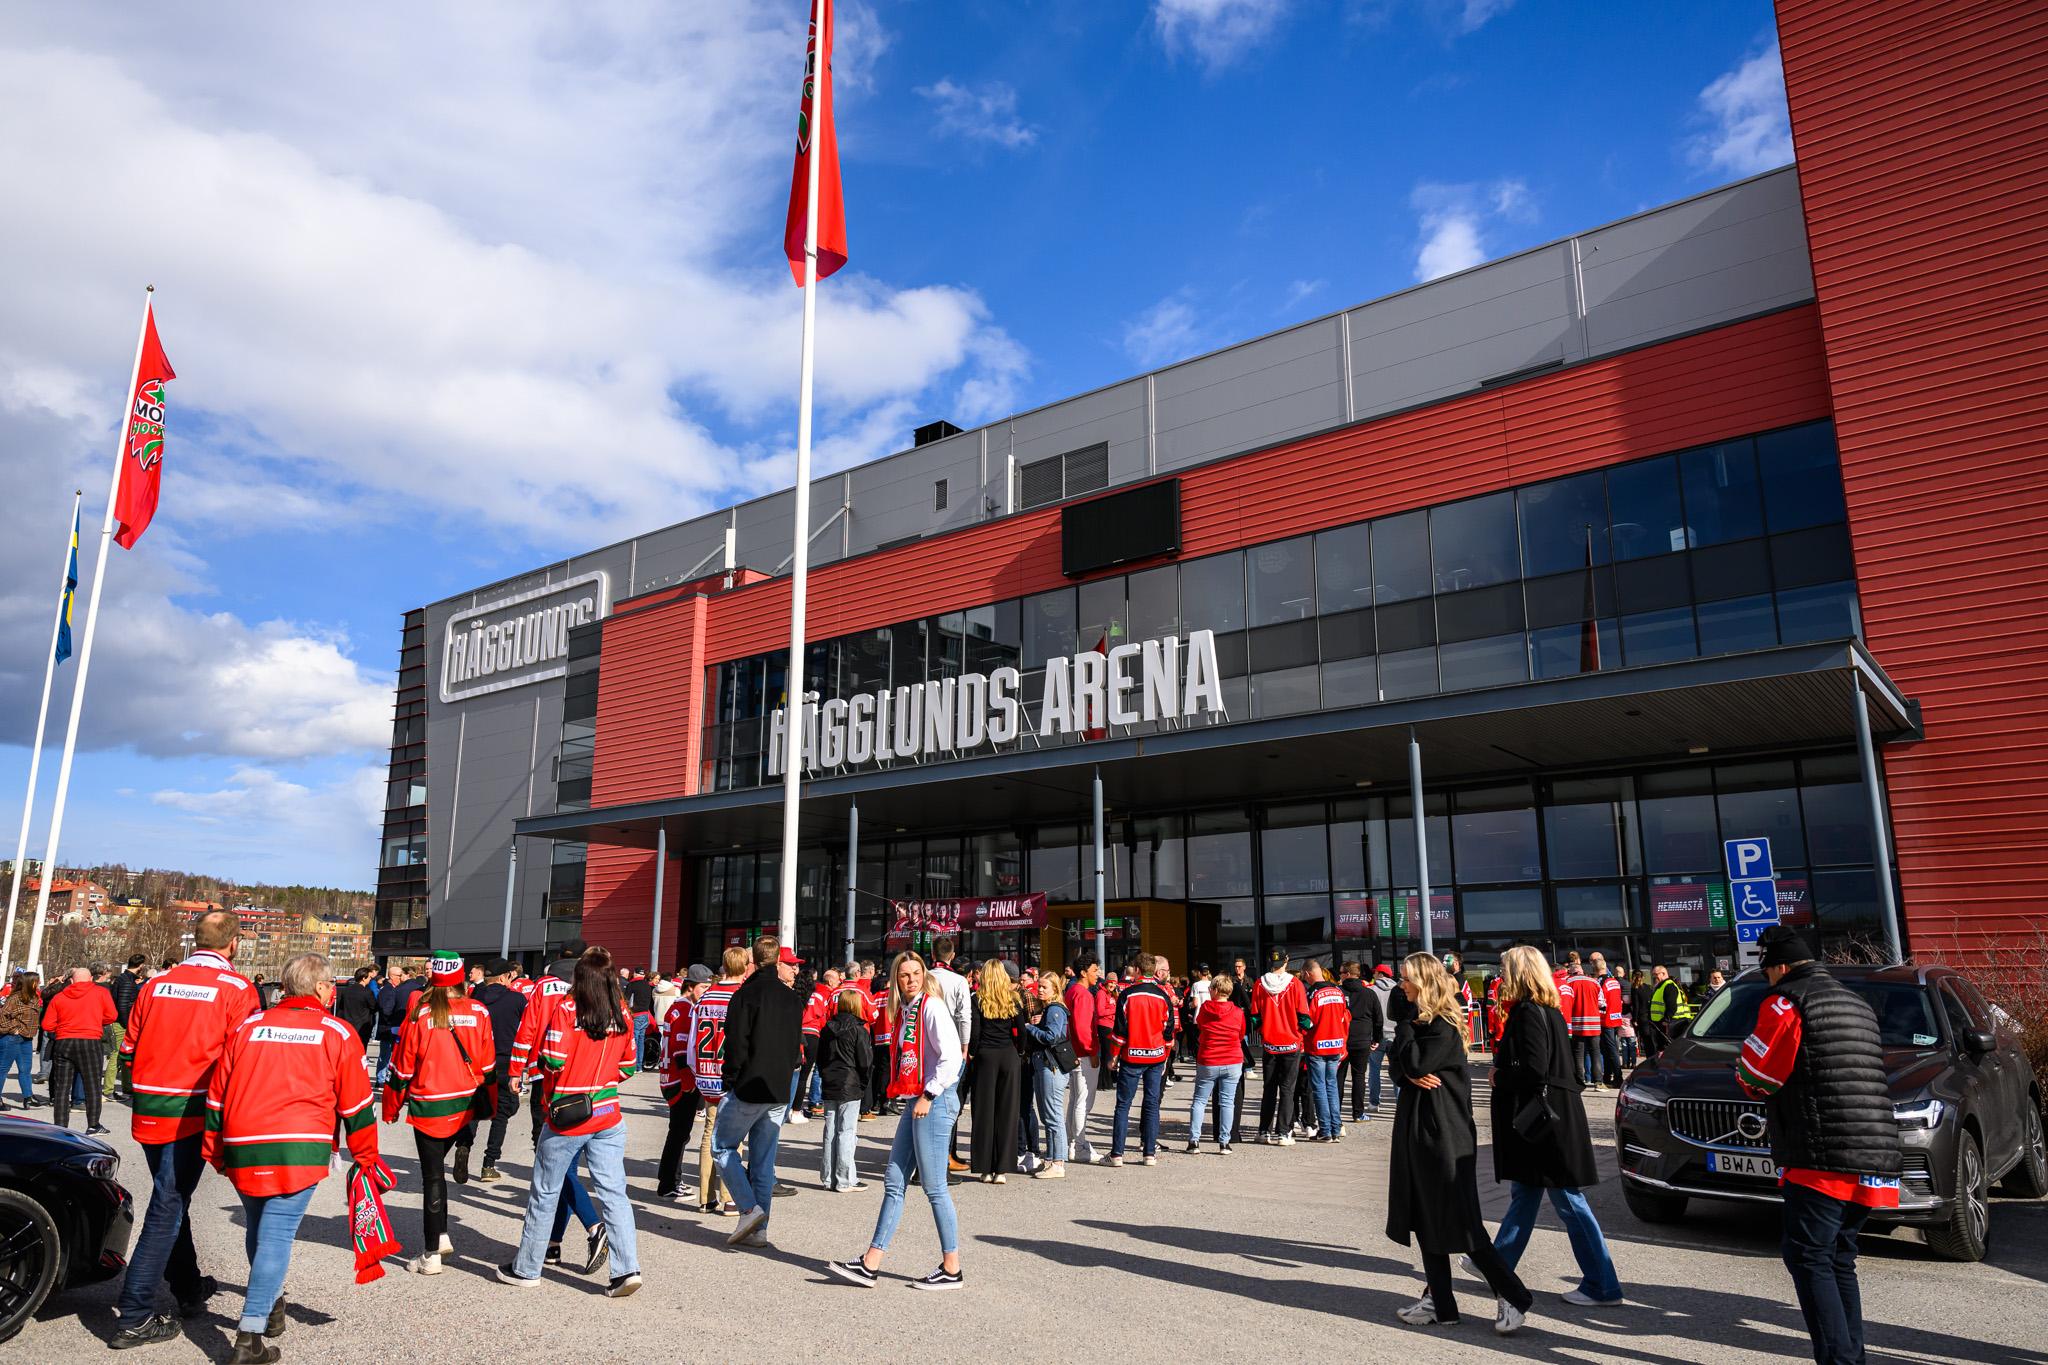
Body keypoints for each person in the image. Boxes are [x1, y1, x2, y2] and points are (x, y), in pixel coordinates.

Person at [202, 953, 386, 1364]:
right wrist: (366, 1155)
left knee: (260, 1228)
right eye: (330, 986)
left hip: (243, 1140)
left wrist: (213, 1146)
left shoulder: (248, 1026)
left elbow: (218, 1090)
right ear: (321, 988)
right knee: (277, 1234)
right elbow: (357, 1104)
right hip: (299, 1146)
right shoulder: (336, 1031)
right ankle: (249, 1334)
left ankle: (270, 1304)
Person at [1736, 926, 1902, 1365]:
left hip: (1820, 1152)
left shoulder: (1787, 1000)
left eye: (1768, 970)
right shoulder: (1856, 1002)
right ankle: (1852, 1356)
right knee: (1839, 1257)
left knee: (1808, 1258)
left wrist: (1744, 1073)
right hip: (1873, 1153)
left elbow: (1759, 1074)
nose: (1767, 979)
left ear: (1781, 966)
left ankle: (1839, 1360)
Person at [109, 912, 259, 1347]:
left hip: (150, 1103)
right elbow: (242, 1060)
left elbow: (129, 1047)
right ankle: (134, 1312)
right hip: (193, 1107)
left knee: (172, 1198)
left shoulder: (155, 985)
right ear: (233, 944)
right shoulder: (236, 989)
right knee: (168, 1206)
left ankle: (188, 1289)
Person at [1385, 952, 1532, 1335]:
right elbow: (1399, 1068)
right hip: (1420, 1131)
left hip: (1444, 1135)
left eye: (1406, 980)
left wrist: (1404, 1039)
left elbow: (1413, 1063)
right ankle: (1442, 1304)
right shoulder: (1422, 1023)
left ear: (1424, 983)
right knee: (1425, 1218)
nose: (1401, 986)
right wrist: (1407, 1062)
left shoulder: (1443, 1025)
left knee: (1461, 1223)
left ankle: (1513, 1294)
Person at [499, 947, 642, 1297]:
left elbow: (553, 1057)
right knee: (614, 1193)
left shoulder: (567, 1008)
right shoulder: (622, 1011)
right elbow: (628, 1066)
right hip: (608, 1111)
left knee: (544, 1192)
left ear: (580, 976)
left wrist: (540, 1075)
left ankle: (528, 1267)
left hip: (569, 1111)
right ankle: (627, 1269)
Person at [1486, 946, 1624, 1307]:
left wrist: (1500, 1075)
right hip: (1552, 1117)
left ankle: (1602, 1284)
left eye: (1505, 968)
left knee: (1569, 1202)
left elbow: (1535, 1070)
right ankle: (1497, 1267)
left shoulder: (1530, 1012)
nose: (1501, 975)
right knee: (1528, 1194)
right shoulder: (1546, 1009)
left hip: (1547, 1121)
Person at [825, 950, 965, 1291]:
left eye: (916, 973)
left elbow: (951, 1060)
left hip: (933, 1100)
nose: (911, 979)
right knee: (894, 1180)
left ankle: (952, 1268)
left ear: (924, 975)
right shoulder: (905, 1011)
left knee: (934, 1188)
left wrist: (928, 1095)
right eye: (904, 975)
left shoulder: (931, 1007)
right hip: (916, 1101)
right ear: (896, 980)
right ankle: (871, 1262)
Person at [381, 951, 493, 1274]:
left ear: (433, 977)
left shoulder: (420, 1013)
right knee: (437, 1174)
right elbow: (487, 1066)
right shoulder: (480, 1011)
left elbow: (401, 1067)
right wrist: (492, 1105)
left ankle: (431, 1254)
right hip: (466, 1103)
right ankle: (441, 1233)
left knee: (432, 1176)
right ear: (461, 977)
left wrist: (390, 1107)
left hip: (430, 1104)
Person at [713, 938, 804, 1249]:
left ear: (752, 960)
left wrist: (731, 1078)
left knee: (722, 1148)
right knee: (763, 1161)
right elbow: (796, 1046)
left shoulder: (745, 995)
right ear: (777, 960)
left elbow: (736, 1043)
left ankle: (749, 1209)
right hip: (778, 1088)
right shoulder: (792, 999)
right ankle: (759, 1229)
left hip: (750, 1084)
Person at [689, 947, 750, 1215]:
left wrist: (698, 1071)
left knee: (708, 1134)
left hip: (706, 1072)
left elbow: (693, 1041)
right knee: (733, 1139)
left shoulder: (705, 998)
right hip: (731, 1075)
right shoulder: (741, 997)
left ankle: (706, 1196)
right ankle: (729, 1196)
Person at [462, 958, 528, 1183]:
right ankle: (488, 1165)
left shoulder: (474, 999)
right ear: (503, 977)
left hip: (477, 1063)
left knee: (473, 1111)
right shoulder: (517, 999)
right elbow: (524, 1031)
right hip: (505, 1062)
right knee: (501, 1114)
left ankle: (464, 1147)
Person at [1107, 951, 1176, 1166]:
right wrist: (1164, 1057)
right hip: (1155, 1057)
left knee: (1123, 1105)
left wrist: (1114, 1056)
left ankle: (1117, 1154)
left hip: (1132, 1056)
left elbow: (1119, 1031)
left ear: (1136, 970)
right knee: (1152, 1104)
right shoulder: (1163, 996)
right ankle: (1149, 1154)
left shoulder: (1127, 995)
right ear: (1154, 971)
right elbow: (1168, 1031)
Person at [655, 964, 712, 1200]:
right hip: (679, 1080)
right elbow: (680, 1049)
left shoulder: (678, 1008)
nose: (706, 991)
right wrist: (689, 1082)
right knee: (679, 1133)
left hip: (670, 1077)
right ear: (690, 986)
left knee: (679, 1133)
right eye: (703, 987)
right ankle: (670, 1183)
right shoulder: (687, 1010)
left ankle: (668, 1180)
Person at [968, 960, 1025, 1182]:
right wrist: (1019, 1051)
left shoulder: (977, 999)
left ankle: (985, 1168)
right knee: (1007, 1112)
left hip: (985, 1056)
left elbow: (975, 1032)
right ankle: (1002, 1169)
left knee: (983, 1112)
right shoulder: (1013, 998)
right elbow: (1021, 1030)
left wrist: (972, 1053)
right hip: (1008, 1055)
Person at [45, 965, 117, 1132]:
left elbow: (47, 1024)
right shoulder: (101, 993)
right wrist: (96, 1020)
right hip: (90, 1041)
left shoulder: (60, 996)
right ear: (91, 979)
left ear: (71, 980)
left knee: (62, 1087)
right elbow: (112, 1016)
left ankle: (60, 1127)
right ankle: (93, 1125)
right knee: (92, 1085)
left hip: (64, 1042)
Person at [1250, 950, 1309, 1145]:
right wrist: (1303, 1033)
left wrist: (1264, 1031)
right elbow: (1304, 1017)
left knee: (1269, 1088)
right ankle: (1284, 1133)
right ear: (1287, 960)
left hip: (1269, 1044)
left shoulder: (1259, 983)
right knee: (1287, 1089)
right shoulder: (1296, 984)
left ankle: (1263, 1131)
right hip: (1291, 1043)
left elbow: (1255, 1017)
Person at [817, 987, 873, 1191]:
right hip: (850, 1081)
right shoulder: (859, 1029)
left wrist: (824, 1075)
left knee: (830, 1131)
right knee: (846, 1132)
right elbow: (865, 1062)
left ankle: (829, 1178)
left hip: (831, 1080)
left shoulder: (827, 1028)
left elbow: (820, 1059)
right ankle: (843, 1180)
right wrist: (863, 1084)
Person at [926, 936, 974, 1174]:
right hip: (951, 1045)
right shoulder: (958, 981)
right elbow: (964, 1016)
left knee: (926, 1098)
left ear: (933, 955)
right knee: (948, 1102)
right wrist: (964, 1046)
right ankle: (944, 1156)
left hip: (925, 1045)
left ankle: (932, 1154)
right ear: (952, 956)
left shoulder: (923, 977)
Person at [1021, 970, 1072, 1179]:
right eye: (1039, 986)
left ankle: (1058, 1162)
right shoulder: (1050, 1009)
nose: (1039, 990)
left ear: (1055, 990)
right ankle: (1052, 1159)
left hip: (1051, 1067)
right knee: (1048, 1115)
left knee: (1053, 1116)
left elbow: (1052, 1037)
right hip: (1045, 1066)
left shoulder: (1054, 1009)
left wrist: (1030, 1028)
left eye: (1044, 987)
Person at [1187, 972, 1245, 1153]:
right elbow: (1241, 1034)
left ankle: (1194, 1141)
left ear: (1214, 990)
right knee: (1227, 1102)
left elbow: (1200, 1026)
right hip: (1233, 1059)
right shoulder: (1237, 1012)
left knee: (1200, 1100)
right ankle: (1224, 1142)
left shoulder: (1205, 1009)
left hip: (1209, 1059)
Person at [1061, 953, 1106, 1164]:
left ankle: (1072, 1143)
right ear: (1083, 972)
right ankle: (1078, 1145)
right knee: (1083, 1102)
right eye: (1095, 970)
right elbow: (1082, 1027)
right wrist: (1091, 1051)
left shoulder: (1073, 991)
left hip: (1074, 1053)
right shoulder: (1083, 994)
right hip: (1083, 1054)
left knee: (1076, 1100)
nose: (1098, 974)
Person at [1304, 960, 1351, 1141]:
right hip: (1336, 1045)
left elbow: (1308, 1021)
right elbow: (1346, 1018)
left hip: (1317, 1046)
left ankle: (1325, 1130)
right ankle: (1336, 1127)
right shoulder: (1338, 991)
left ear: (1308, 974)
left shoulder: (1313, 993)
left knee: (1319, 1088)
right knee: (1332, 1086)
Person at [1336, 960, 1384, 1124]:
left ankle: (1336, 1114)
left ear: (1348, 974)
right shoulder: (1369, 993)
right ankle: (1358, 1113)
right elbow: (1379, 1019)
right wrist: (1376, 1039)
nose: (1339, 976)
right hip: (1362, 1040)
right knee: (1359, 1076)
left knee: (1338, 1077)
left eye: (1341, 972)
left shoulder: (1338, 992)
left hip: (1341, 1040)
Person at [373, 962, 422, 1090]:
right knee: (386, 1055)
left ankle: (382, 1078)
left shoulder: (395, 989)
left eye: (401, 975)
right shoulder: (389, 990)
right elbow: (385, 1009)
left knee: (388, 1055)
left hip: (391, 1026)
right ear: (393, 976)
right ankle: (381, 1079)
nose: (401, 978)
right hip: (389, 1027)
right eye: (399, 975)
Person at [105, 954, 146, 1101]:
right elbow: (123, 1005)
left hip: (123, 1022)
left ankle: (127, 1088)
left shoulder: (124, 979)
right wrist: (129, 1024)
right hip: (122, 1023)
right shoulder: (127, 982)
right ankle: (108, 1089)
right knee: (117, 1055)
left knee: (126, 1055)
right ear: (140, 966)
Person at [1560, 954, 1603, 1089]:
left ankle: (1580, 1081)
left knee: (1578, 1054)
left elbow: (1565, 1003)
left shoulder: (1569, 982)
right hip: (1594, 1024)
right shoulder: (1595, 982)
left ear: (1571, 972)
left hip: (1577, 1024)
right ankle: (1598, 1082)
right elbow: (1602, 1003)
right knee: (1595, 1052)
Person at [0, 972, 40, 1109]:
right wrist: (13, 1029)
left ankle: (28, 1097)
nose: (38, 984)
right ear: (29, 982)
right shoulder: (15, 998)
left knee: (25, 1069)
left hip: (27, 1039)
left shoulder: (33, 997)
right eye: (36, 981)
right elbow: (2, 1018)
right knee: (3, 1069)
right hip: (12, 1038)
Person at [1587, 953, 1625, 1089]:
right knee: (1609, 1050)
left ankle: (1618, 1077)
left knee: (1610, 1050)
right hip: (1615, 1019)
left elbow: (1600, 1002)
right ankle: (1608, 1076)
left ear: (1595, 970)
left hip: (1605, 1020)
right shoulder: (1614, 981)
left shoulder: (1600, 982)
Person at [1366, 964, 1398, 1114]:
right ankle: (1400, 1102)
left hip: (1377, 1036)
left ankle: (1374, 1103)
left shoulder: (1371, 990)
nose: (1374, 975)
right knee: (1397, 1070)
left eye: (1375, 973)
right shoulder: (1398, 990)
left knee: (1374, 1069)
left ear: (1379, 974)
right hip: (1396, 1036)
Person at [1644, 965, 1693, 1055]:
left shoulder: (1668, 986)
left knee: (1668, 1050)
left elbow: (1672, 1006)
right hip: (1667, 1024)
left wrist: (1666, 1020)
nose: (1654, 977)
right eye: (1653, 975)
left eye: (1656, 974)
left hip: (1672, 1025)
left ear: (1663, 973)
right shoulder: (1662, 986)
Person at [333, 967, 378, 1049]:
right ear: (364, 978)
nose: (370, 980)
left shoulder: (346, 990)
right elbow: (374, 1007)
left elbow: (341, 1008)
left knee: (347, 1048)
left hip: (347, 1024)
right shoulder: (367, 992)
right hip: (362, 1026)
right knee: (361, 1049)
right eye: (369, 978)